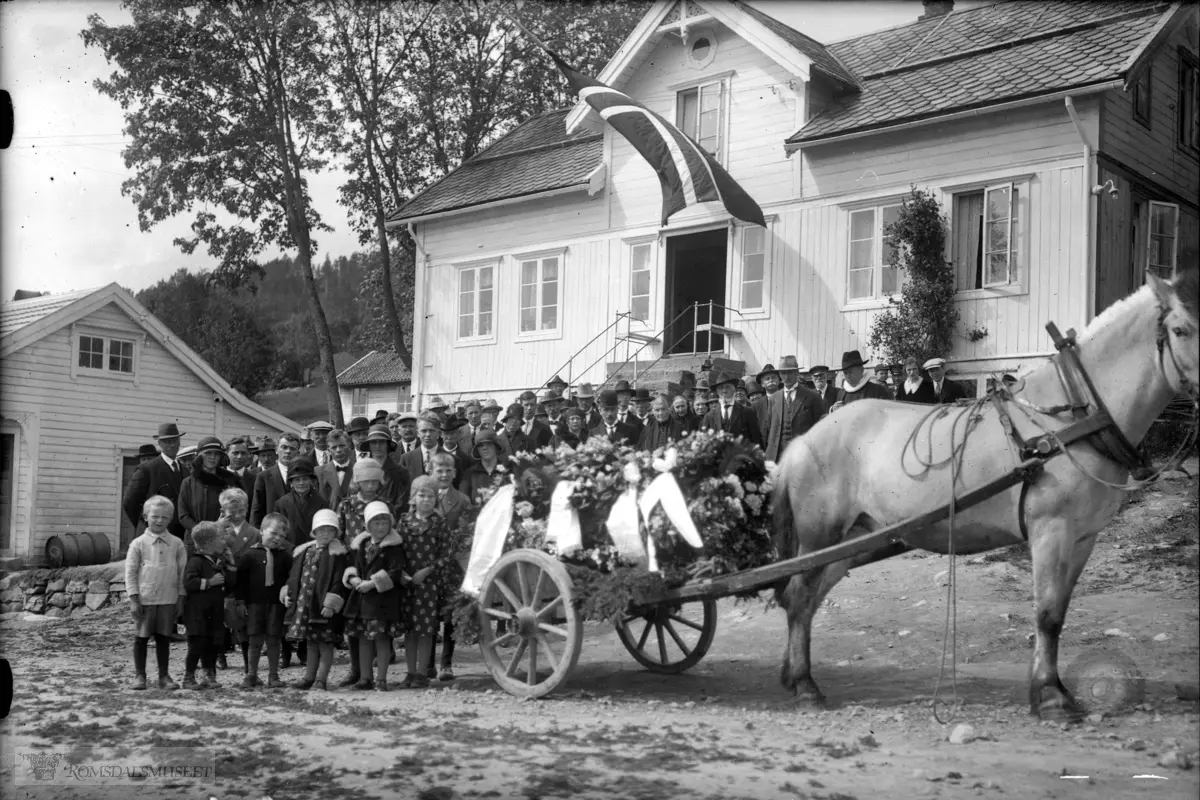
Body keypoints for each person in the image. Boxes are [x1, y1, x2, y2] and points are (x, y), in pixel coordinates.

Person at [342, 501, 406, 692]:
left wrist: (372, 583)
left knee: (382, 639)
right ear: (368, 525)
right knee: (363, 638)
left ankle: (381, 679)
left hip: (382, 601)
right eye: (376, 523)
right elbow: (352, 564)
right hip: (362, 601)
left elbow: (395, 572)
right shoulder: (361, 544)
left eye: (384, 523)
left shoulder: (393, 547)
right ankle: (365, 677)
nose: (380, 527)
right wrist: (352, 578)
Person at [126, 495, 188, 690]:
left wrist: (180, 598)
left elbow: (182, 573)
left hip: (168, 599)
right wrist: (134, 599)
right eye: (155, 516)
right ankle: (140, 676)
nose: (159, 521)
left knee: (163, 637)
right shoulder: (138, 544)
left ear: (171, 519)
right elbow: (130, 573)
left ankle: (163, 675)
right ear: (146, 516)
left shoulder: (177, 544)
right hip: (144, 599)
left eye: (165, 517)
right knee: (141, 637)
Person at [283, 509, 349, 691]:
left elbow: (339, 580)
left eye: (330, 530)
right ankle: (309, 677)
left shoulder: (337, 554)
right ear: (315, 532)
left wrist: (331, 602)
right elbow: (295, 575)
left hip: (322, 606)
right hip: (306, 606)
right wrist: (288, 591)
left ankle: (321, 679)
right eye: (322, 530)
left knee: (325, 643)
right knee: (311, 643)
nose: (325, 534)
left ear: (336, 532)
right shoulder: (305, 551)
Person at [398, 477, 451, 689]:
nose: (426, 499)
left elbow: (446, 554)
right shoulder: (404, 521)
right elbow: (396, 550)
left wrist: (428, 570)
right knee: (410, 629)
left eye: (431, 496)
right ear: (413, 497)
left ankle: (422, 672)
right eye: (422, 495)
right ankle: (410, 672)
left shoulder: (439, 523)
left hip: (429, 583)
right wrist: (401, 571)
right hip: (407, 582)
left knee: (426, 628)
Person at [234, 512, 293, 690]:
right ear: (262, 530)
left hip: (276, 604)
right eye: (273, 533)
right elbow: (240, 580)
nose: (277, 539)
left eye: (282, 536)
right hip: (254, 604)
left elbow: (291, 579)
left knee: (274, 639)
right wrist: (240, 601)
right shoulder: (249, 555)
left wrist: (288, 594)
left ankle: (273, 676)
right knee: (255, 639)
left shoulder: (285, 556)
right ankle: (251, 674)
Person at [182, 521, 235, 690]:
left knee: (213, 644)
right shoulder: (195, 561)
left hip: (215, 612)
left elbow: (231, 585)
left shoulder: (219, 561)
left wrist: (231, 563)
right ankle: (188, 677)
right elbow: (189, 582)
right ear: (208, 542)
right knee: (196, 646)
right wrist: (209, 582)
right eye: (220, 538)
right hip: (197, 614)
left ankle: (209, 675)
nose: (224, 541)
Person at [217, 487, 260, 673]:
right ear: (223, 511)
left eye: (241, 511)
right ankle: (219, 655)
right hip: (223, 581)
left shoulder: (254, 533)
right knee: (220, 620)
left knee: (242, 620)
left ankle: (247, 659)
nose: (237, 515)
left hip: (245, 582)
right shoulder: (216, 529)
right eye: (232, 512)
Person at [123, 423, 188, 539]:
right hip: (153, 535)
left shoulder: (185, 470)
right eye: (167, 442)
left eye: (175, 440)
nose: (172, 445)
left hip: (178, 537)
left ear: (179, 442)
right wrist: (145, 524)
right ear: (160, 444)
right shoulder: (147, 469)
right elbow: (129, 502)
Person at [178, 437, 242, 553]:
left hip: (223, 540)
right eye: (208, 453)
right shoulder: (188, 483)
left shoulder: (230, 481)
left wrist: (221, 527)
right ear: (199, 456)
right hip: (195, 542)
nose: (212, 457)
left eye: (216, 454)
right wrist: (205, 532)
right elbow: (183, 516)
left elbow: (238, 511)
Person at [764, 356, 823, 462]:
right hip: (776, 457)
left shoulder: (812, 396)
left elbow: (818, 429)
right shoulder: (774, 398)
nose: (786, 376)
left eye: (790, 372)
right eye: (783, 373)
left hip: (802, 457)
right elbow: (769, 428)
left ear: (797, 372)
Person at [273, 458, 328, 549]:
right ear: (291, 483)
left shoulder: (322, 503)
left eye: (305, 479)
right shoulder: (281, 504)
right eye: (297, 480)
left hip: (314, 551)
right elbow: (278, 532)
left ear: (311, 481)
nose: (301, 483)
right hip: (289, 552)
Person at [250, 432, 300, 527]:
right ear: (277, 450)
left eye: (292, 448)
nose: (288, 451)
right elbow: (257, 510)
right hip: (272, 532)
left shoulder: (305, 476)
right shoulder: (264, 476)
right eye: (284, 447)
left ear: (298, 453)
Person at [701, 372, 763, 447]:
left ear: (734, 389)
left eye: (727, 387)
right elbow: (704, 443)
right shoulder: (709, 416)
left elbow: (756, 439)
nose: (724, 390)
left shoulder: (747, 412)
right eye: (721, 388)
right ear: (717, 391)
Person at [359, 424, 412, 509]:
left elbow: (403, 504)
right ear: (369, 445)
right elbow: (354, 500)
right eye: (374, 442)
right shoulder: (360, 471)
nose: (377, 446)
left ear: (388, 444)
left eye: (381, 441)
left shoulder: (401, 473)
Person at [316, 430, 356, 508]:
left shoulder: (358, 469)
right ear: (328, 450)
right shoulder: (318, 472)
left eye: (342, 446)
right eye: (334, 447)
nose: (338, 450)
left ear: (349, 445)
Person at [462, 429, 505, 502]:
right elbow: (464, 502)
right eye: (480, 445)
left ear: (495, 447)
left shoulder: (508, 471)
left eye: (488, 444)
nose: (484, 448)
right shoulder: (469, 473)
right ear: (477, 450)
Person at [399, 413, 444, 479]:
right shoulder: (406, 459)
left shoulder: (452, 458)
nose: (427, 434)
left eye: (431, 431)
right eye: (424, 431)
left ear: (439, 433)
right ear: (418, 433)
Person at [438, 417, 475, 484]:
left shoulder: (466, 459)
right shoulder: (435, 454)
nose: (449, 437)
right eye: (446, 434)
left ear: (458, 434)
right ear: (441, 435)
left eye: (452, 433)